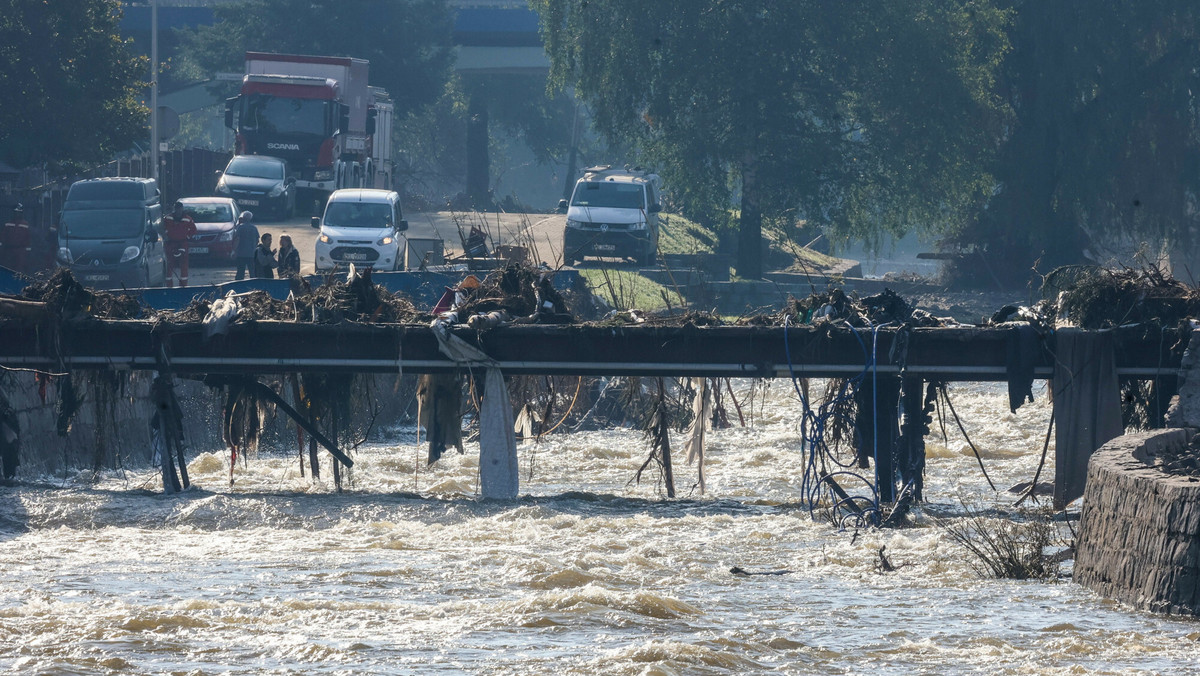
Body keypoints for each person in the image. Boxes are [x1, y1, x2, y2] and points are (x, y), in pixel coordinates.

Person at [163, 201, 198, 287]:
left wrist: (187, 237)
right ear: (174, 209)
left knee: (184, 265)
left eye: (179, 208)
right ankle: (169, 286)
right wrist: (166, 236)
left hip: (183, 243)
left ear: (182, 209)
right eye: (176, 208)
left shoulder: (188, 219)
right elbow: (162, 228)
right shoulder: (168, 218)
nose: (178, 210)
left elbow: (194, 230)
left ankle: (183, 286)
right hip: (170, 244)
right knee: (169, 265)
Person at [0, 204, 31, 273]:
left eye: (19, 212)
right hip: (9, 249)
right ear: (13, 213)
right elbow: (2, 237)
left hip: (21, 250)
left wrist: (27, 252)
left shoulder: (26, 224)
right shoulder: (7, 224)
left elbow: (28, 238)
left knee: (19, 269)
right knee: (8, 268)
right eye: (16, 212)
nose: (17, 214)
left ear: (21, 213)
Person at [232, 211, 258, 280]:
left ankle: (238, 285)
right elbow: (257, 240)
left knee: (240, 272)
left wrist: (234, 251)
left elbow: (237, 239)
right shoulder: (254, 228)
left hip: (241, 253)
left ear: (243, 218)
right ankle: (254, 285)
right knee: (252, 272)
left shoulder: (240, 227)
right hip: (251, 254)